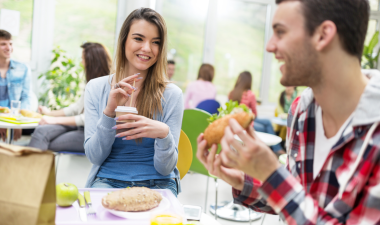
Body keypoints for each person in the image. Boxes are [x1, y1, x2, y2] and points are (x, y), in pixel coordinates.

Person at [197, 0, 380, 224]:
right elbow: (298, 199)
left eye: (280, 32)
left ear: (323, 35)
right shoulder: (301, 111)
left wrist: (270, 174)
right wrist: (243, 180)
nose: (270, 46)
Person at [84, 8, 183, 197]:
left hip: (158, 183)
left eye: (156, 42)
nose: (147, 48)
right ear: (123, 42)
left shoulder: (172, 95)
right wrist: (109, 111)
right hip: (107, 181)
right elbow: (94, 156)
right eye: (138, 39)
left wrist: (164, 134)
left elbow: (165, 168)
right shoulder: (95, 88)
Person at [28, 42, 112, 152]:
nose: (81, 62)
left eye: (83, 59)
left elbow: (86, 119)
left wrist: (54, 120)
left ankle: (26, 168)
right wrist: (49, 113)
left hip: (92, 134)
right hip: (80, 128)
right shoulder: (91, 83)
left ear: (92, 62)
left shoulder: (107, 85)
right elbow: (76, 108)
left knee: (42, 141)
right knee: (40, 131)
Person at [229, 71, 285, 155]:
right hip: (246, 122)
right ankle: (276, 149)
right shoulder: (250, 94)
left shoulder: (232, 93)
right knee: (267, 126)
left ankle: (274, 149)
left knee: (267, 122)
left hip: (236, 121)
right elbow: (255, 114)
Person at [0, 29, 31, 142]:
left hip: (16, 118)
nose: (8, 48)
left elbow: (26, 97)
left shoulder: (23, 68)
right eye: (3, 44)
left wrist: (18, 122)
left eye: (10, 44)